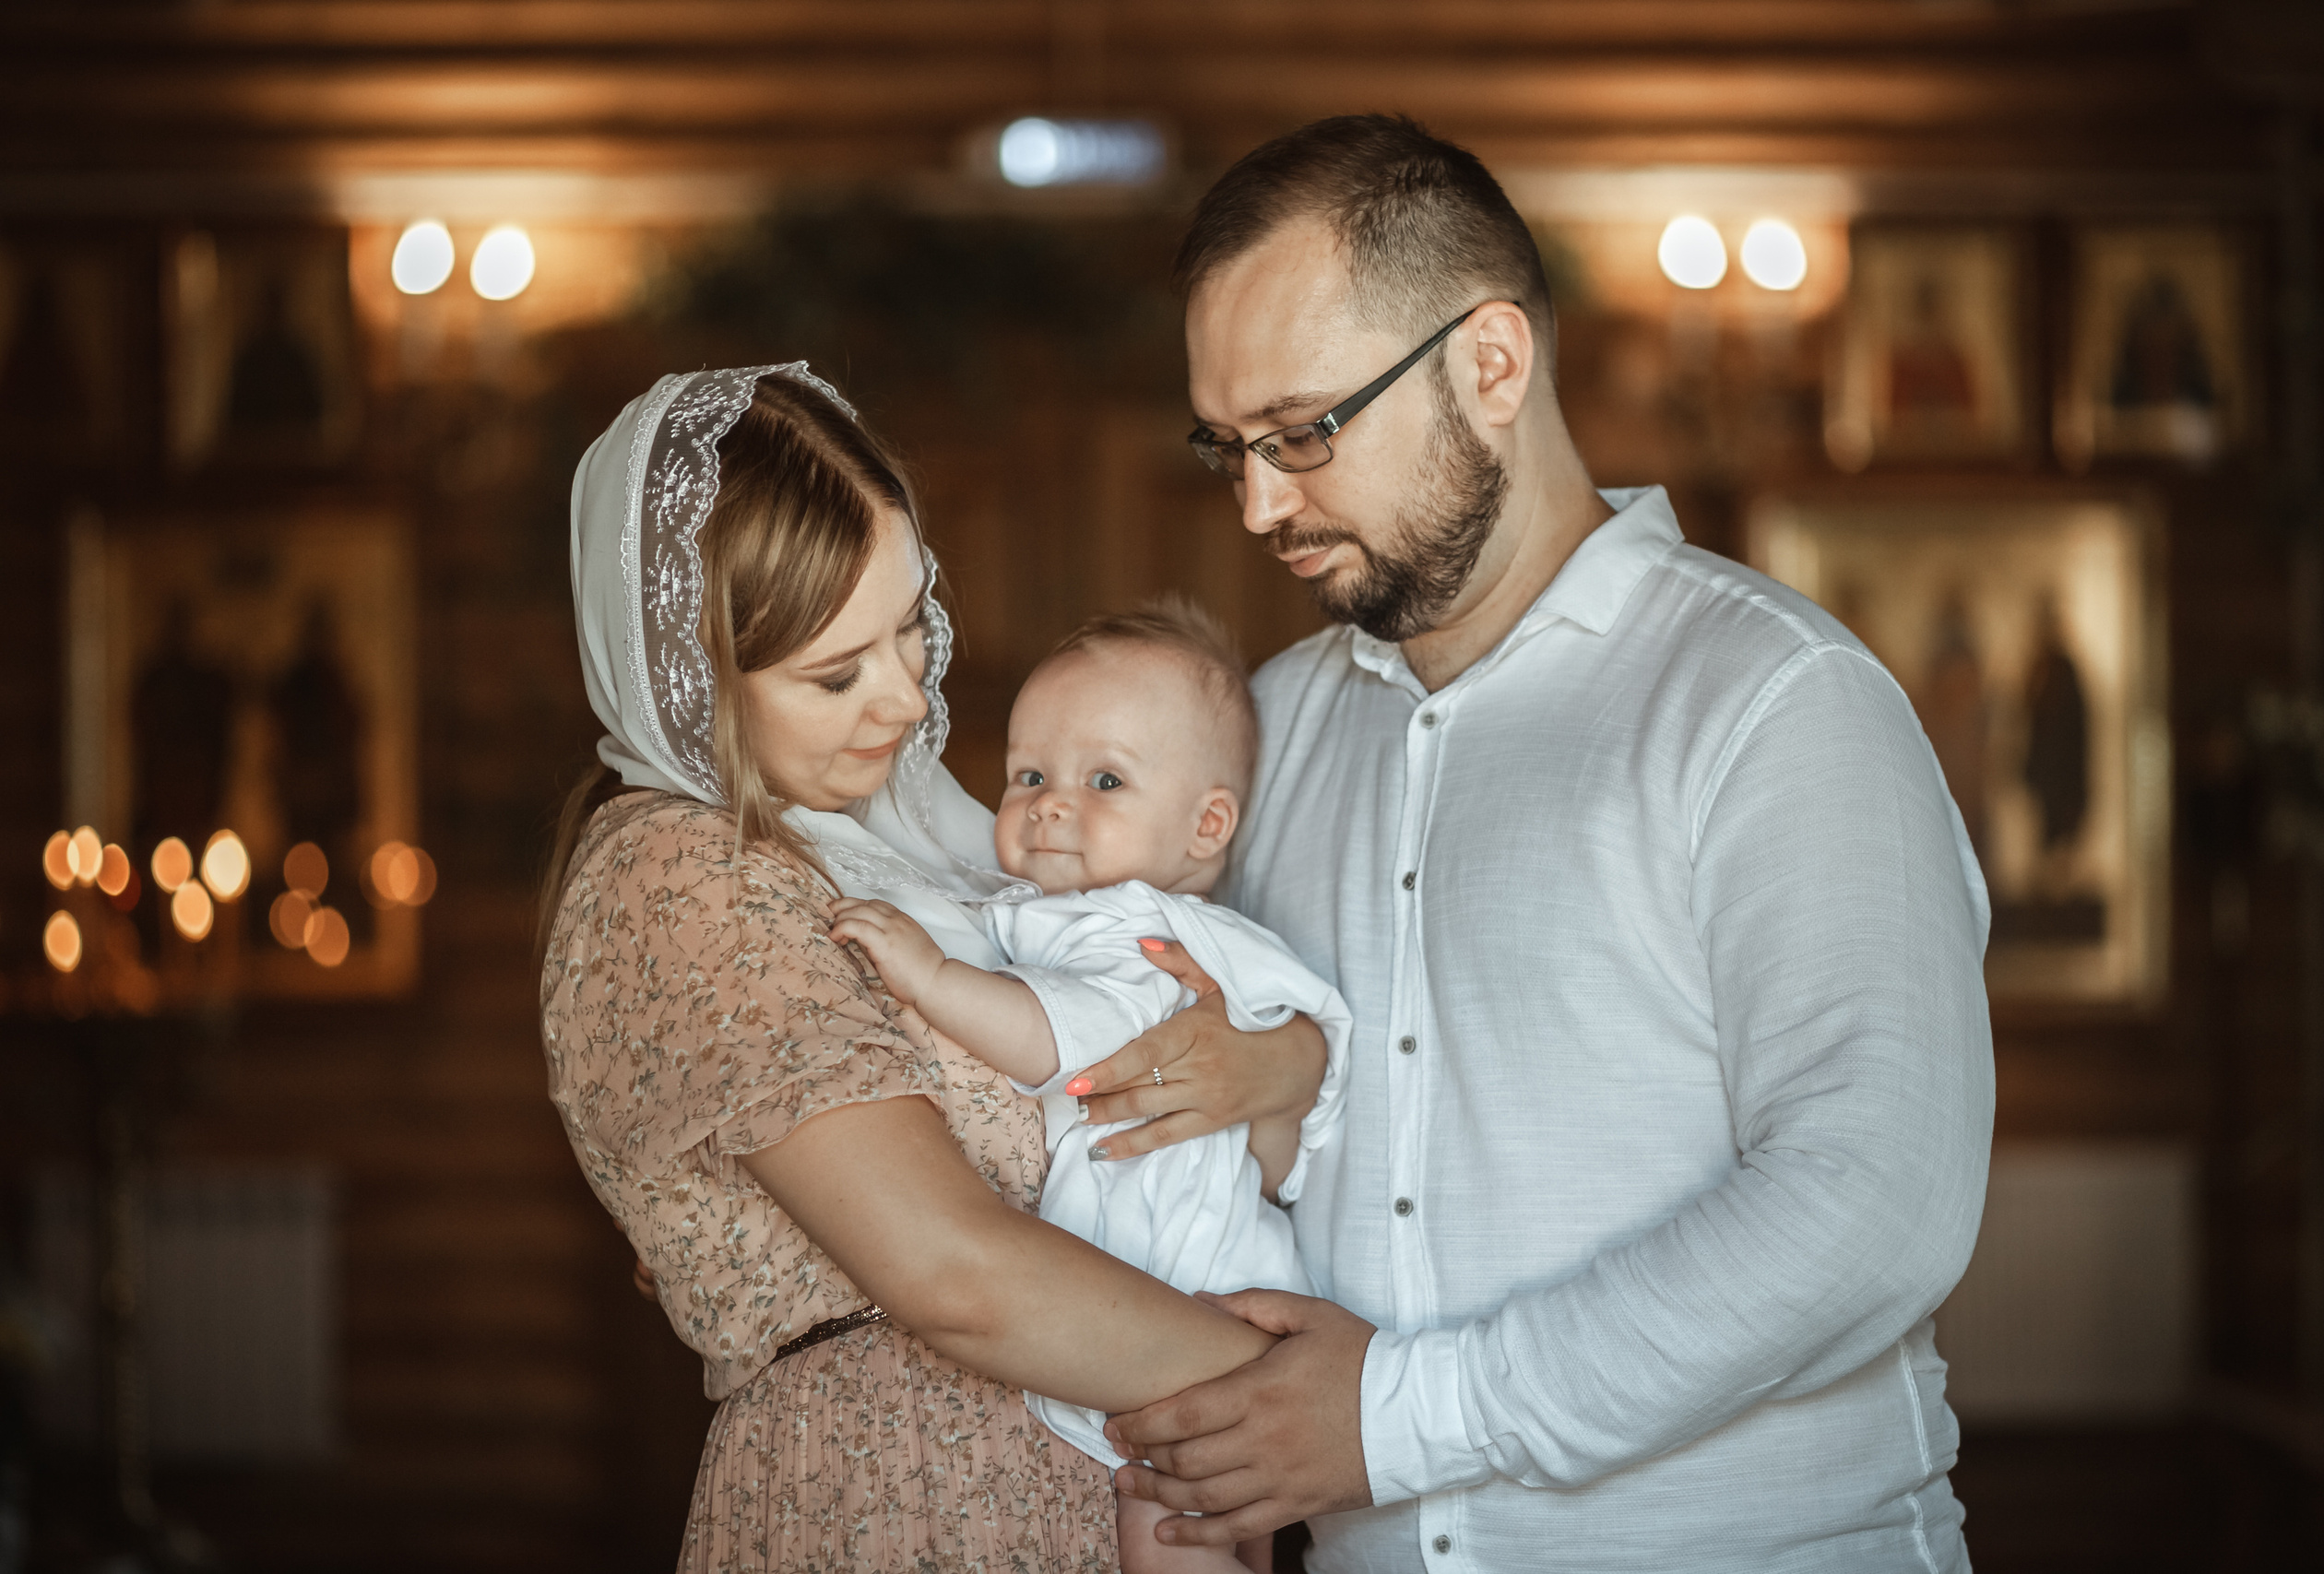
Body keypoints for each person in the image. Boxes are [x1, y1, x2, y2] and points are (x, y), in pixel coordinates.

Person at [1065, 115, 1996, 1572]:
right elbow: (1077, 971)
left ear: (1491, 363)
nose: (1256, 504)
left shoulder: (1774, 703)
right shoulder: (1262, 732)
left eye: (1305, 432)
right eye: (1227, 448)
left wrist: (1401, 1414)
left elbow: (1873, 1200)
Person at [538, 363, 1322, 1571]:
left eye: (910, 625)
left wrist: (1273, 1065)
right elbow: (951, 1270)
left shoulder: (925, 839)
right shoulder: (682, 873)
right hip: (903, 1502)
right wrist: (1300, 1396)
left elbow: (1169, 1018)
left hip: (1101, 1478)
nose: (906, 695)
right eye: (836, 671)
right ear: (691, 677)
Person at [828, 598, 1354, 1574]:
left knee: (1164, 1525)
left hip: (1182, 1295)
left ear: (1205, 825)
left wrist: (930, 980)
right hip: (1159, 1292)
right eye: (1029, 774)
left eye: (1104, 779)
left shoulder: (1144, 935)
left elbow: (1061, 1040)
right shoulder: (1053, 915)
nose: (1051, 802)